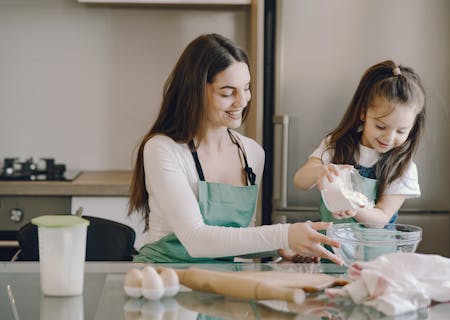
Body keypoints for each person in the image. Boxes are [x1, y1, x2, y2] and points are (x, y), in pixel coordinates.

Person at [128, 33, 341, 264]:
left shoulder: (252, 154)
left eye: (246, 88)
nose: (242, 101)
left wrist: (282, 247)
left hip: (218, 281)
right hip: (163, 278)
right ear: (196, 91)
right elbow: (196, 239)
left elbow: (236, 239)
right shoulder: (162, 149)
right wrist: (284, 235)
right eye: (228, 92)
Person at [294, 60, 425, 225]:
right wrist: (320, 171)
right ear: (364, 113)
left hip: (376, 250)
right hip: (331, 247)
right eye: (381, 126)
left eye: (401, 131)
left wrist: (355, 209)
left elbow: (381, 219)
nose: (389, 138)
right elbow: (300, 180)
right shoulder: (337, 145)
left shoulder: (403, 167)